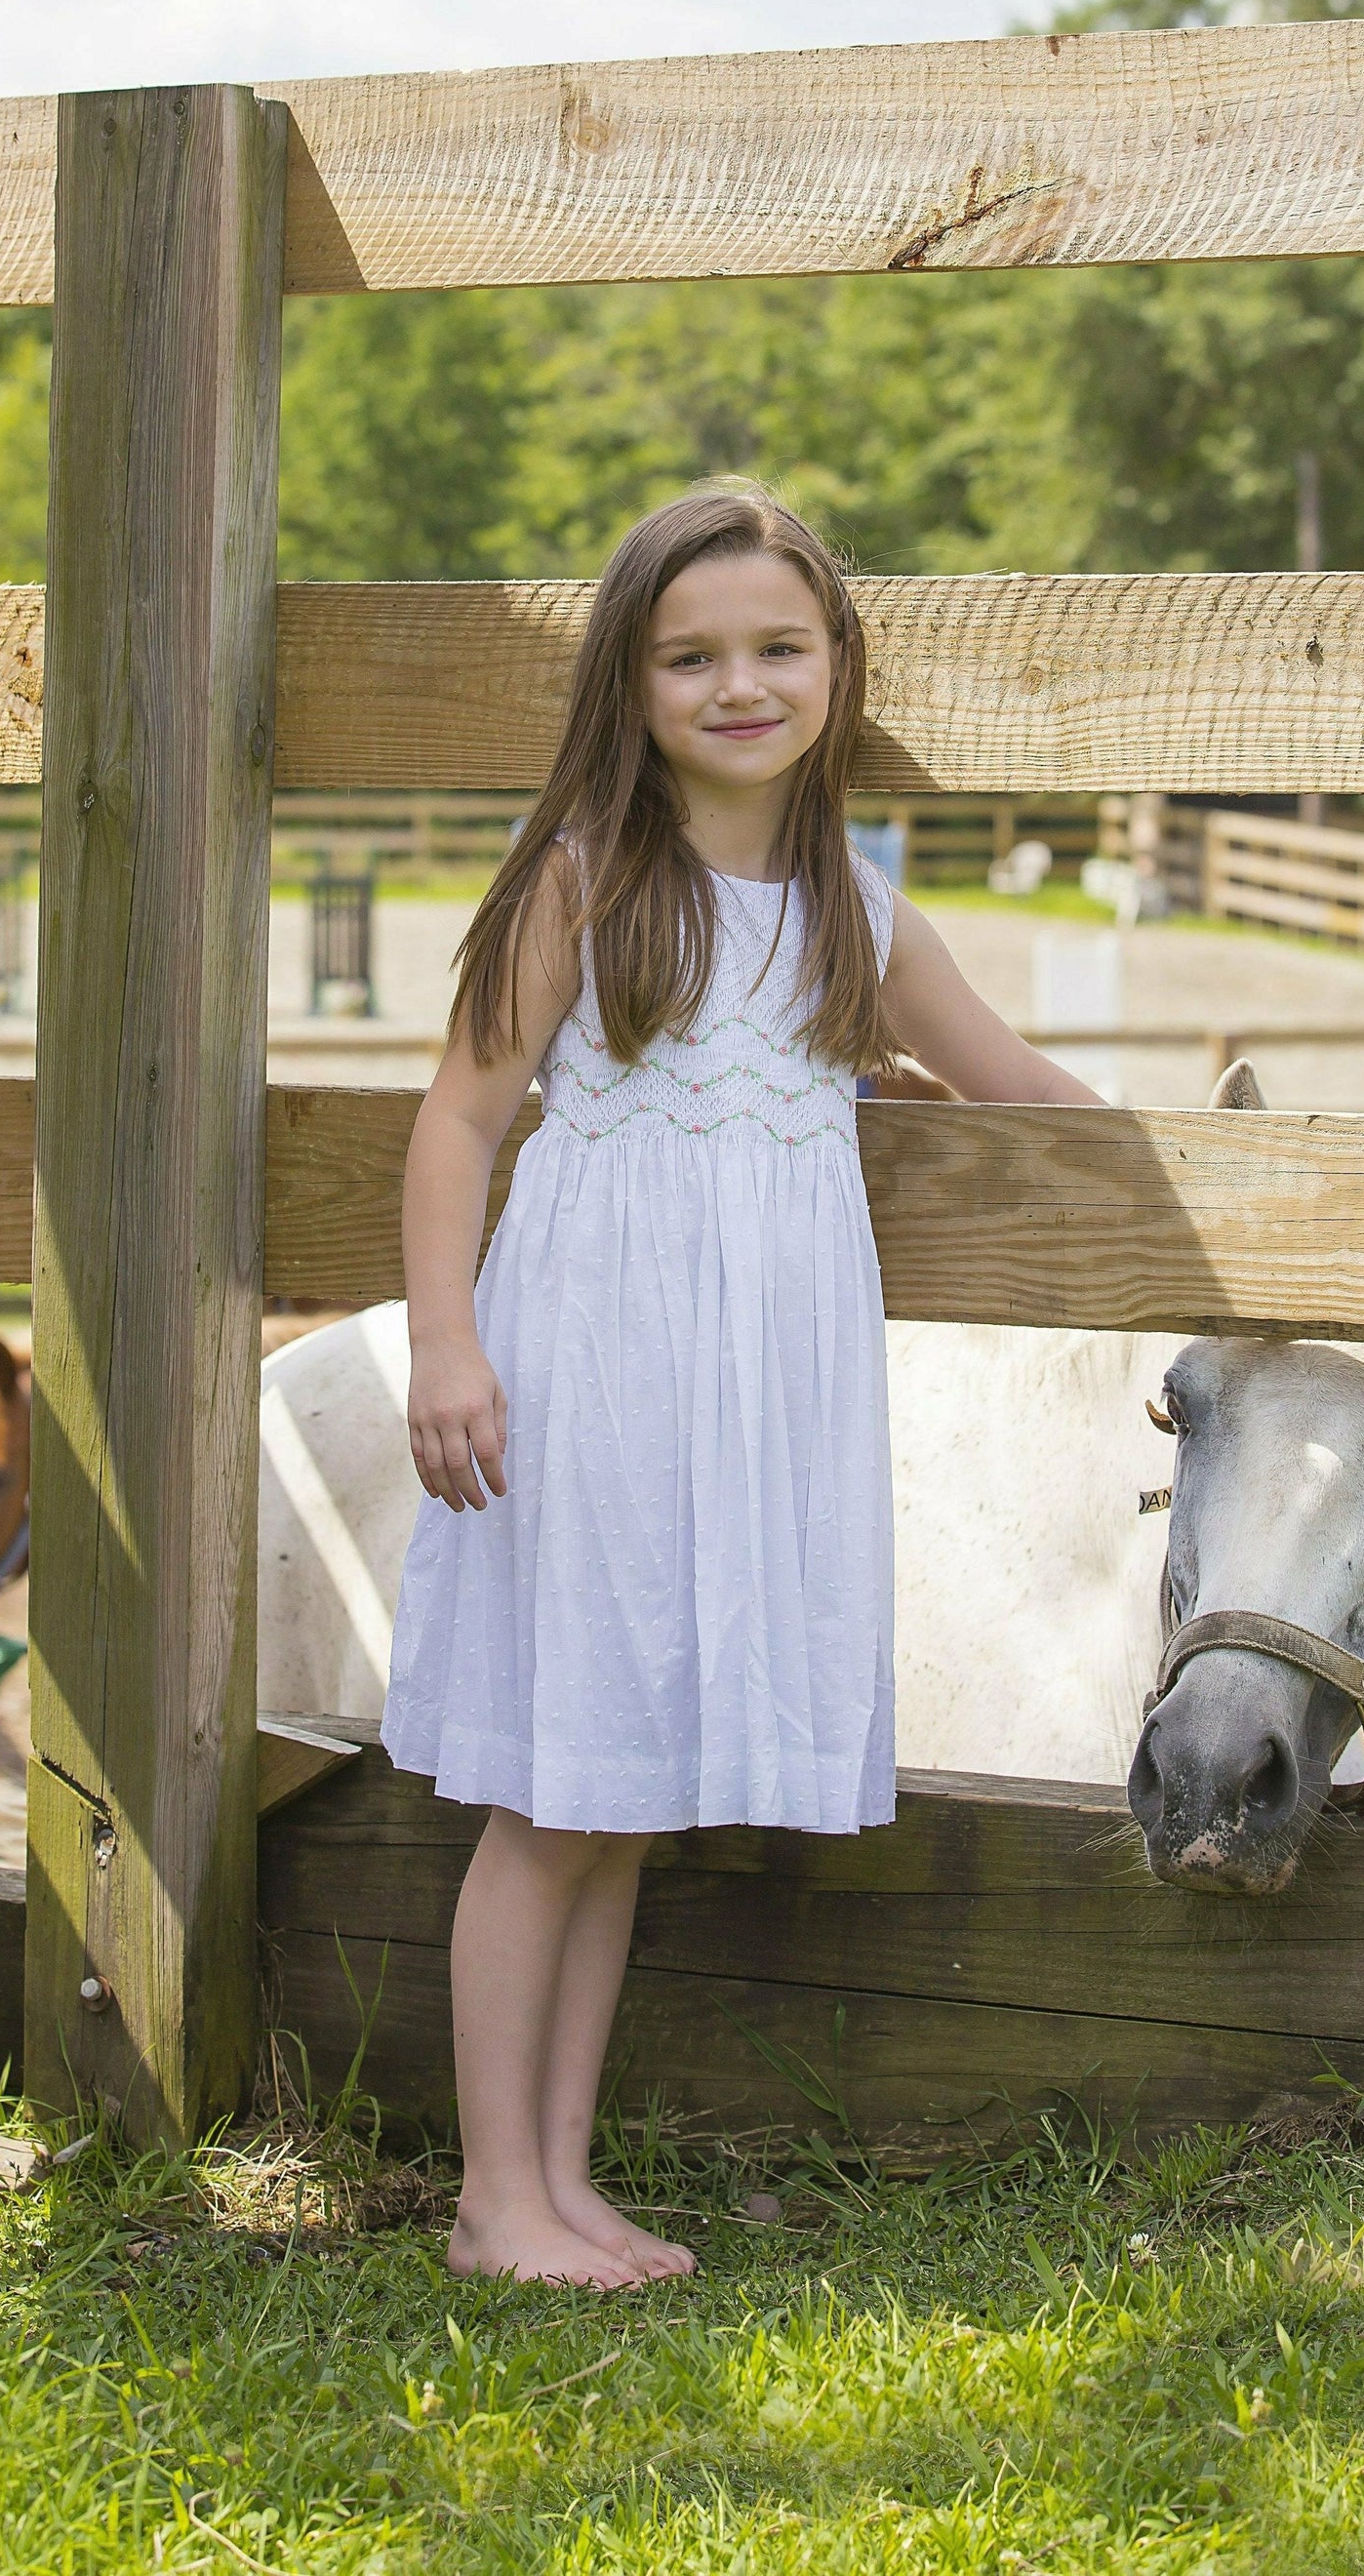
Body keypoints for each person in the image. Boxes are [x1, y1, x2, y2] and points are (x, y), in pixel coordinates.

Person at [383, 486, 1099, 2288]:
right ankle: (488, 2201)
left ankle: (558, 2183)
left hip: (751, 1408)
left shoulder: (863, 918)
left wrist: (1254, 1182)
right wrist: (446, 1343)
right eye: (690, 655)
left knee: (618, 1805)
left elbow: (1018, 1083)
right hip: (591, 1380)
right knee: (551, 1802)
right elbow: (460, 1119)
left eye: (777, 647)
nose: (738, 683)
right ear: (630, 686)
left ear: (837, 670)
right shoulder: (582, 883)